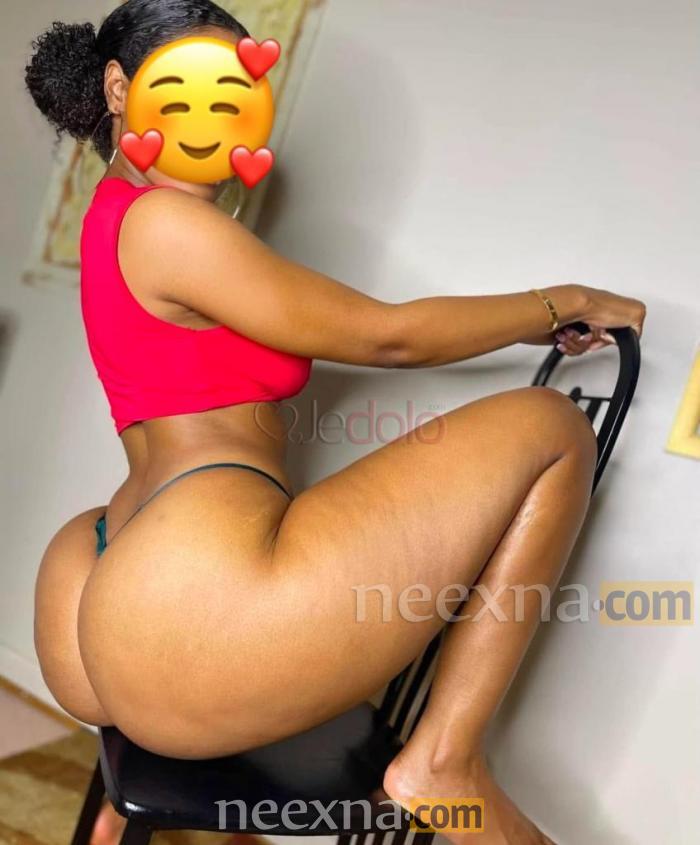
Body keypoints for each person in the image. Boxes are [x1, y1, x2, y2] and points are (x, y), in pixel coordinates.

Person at [25, 2, 645, 843]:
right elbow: (387, 335)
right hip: (181, 602)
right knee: (553, 427)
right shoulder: (170, 223)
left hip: (106, 573)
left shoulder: (112, 211)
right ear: (118, 87)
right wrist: (558, 301)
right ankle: (444, 761)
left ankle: (121, 804)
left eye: (237, 92)